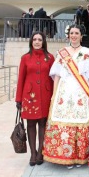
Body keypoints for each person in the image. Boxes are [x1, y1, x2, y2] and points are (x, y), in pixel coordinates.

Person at [43, 24, 89, 169]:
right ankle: (65, 156)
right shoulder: (62, 52)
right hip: (64, 91)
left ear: (81, 36)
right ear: (69, 35)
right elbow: (56, 75)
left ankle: (79, 156)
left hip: (81, 91)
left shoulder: (87, 52)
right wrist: (55, 94)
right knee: (64, 119)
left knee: (80, 120)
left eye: (77, 33)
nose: (74, 35)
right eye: (72, 33)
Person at [15, 31, 55, 166]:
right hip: (29, 97)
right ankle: (32, 154)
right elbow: (21, 79)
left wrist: (54, 96)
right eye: (35, 39)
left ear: (43, 42)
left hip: (45, 95)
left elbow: (53, 78)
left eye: (40, 39)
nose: (37, 42)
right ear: (31, 42)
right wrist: (18, 99)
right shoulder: (25, 58)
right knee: (31, 124)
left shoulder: (50, 58)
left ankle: (40, 152)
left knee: (43, 124)